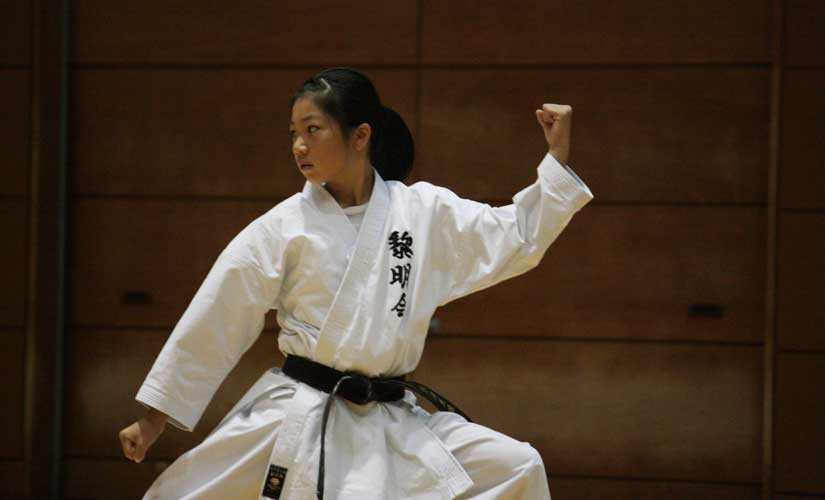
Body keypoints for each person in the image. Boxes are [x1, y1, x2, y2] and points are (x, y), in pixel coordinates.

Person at [118, 66, 594, 500]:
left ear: (360, 135)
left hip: (390, 417)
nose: (299, 146)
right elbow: (218, 316)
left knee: (517, 466)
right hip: (303, 414)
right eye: (293, 134)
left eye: (312, 130)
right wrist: (155, 418)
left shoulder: (422, 213)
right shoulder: (283, 226)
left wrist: (556, 158)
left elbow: (514, 235)